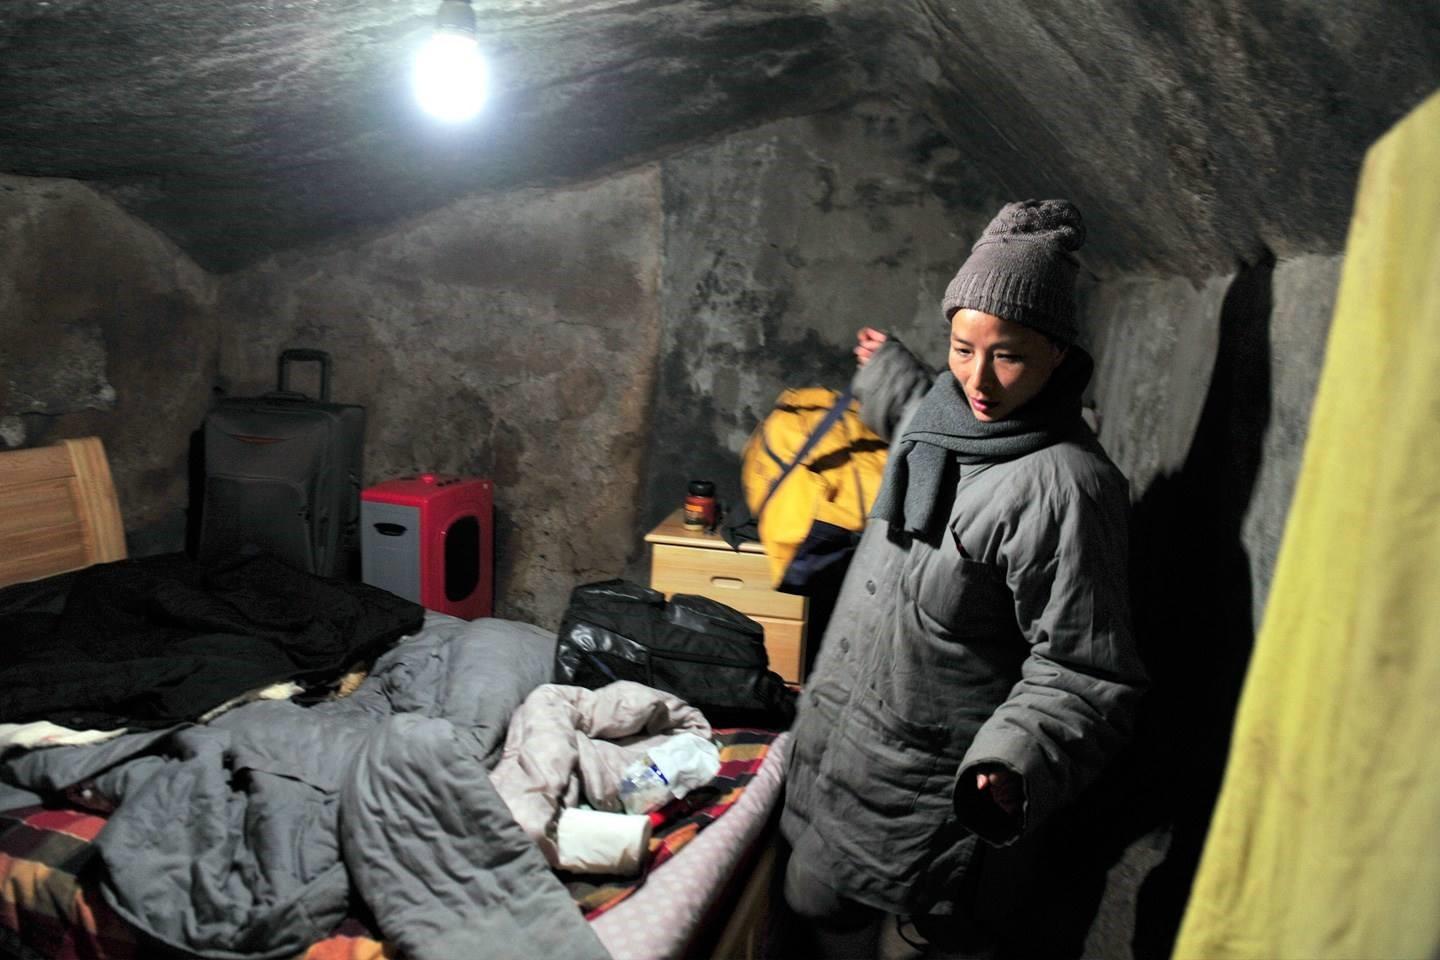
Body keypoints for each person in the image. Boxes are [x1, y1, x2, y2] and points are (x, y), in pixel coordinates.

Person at [778, 199, 1148, 957]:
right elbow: (927, 411)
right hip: (854, 741)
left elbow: (1085, 671)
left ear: (1057, 354)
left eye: (1007, 356)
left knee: (908, 940)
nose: (980, 380)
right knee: (809, 899)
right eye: (962, 347)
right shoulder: (942, 416)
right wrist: (890, 368)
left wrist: (1014, 760)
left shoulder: (1065, 491)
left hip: (928, 784)